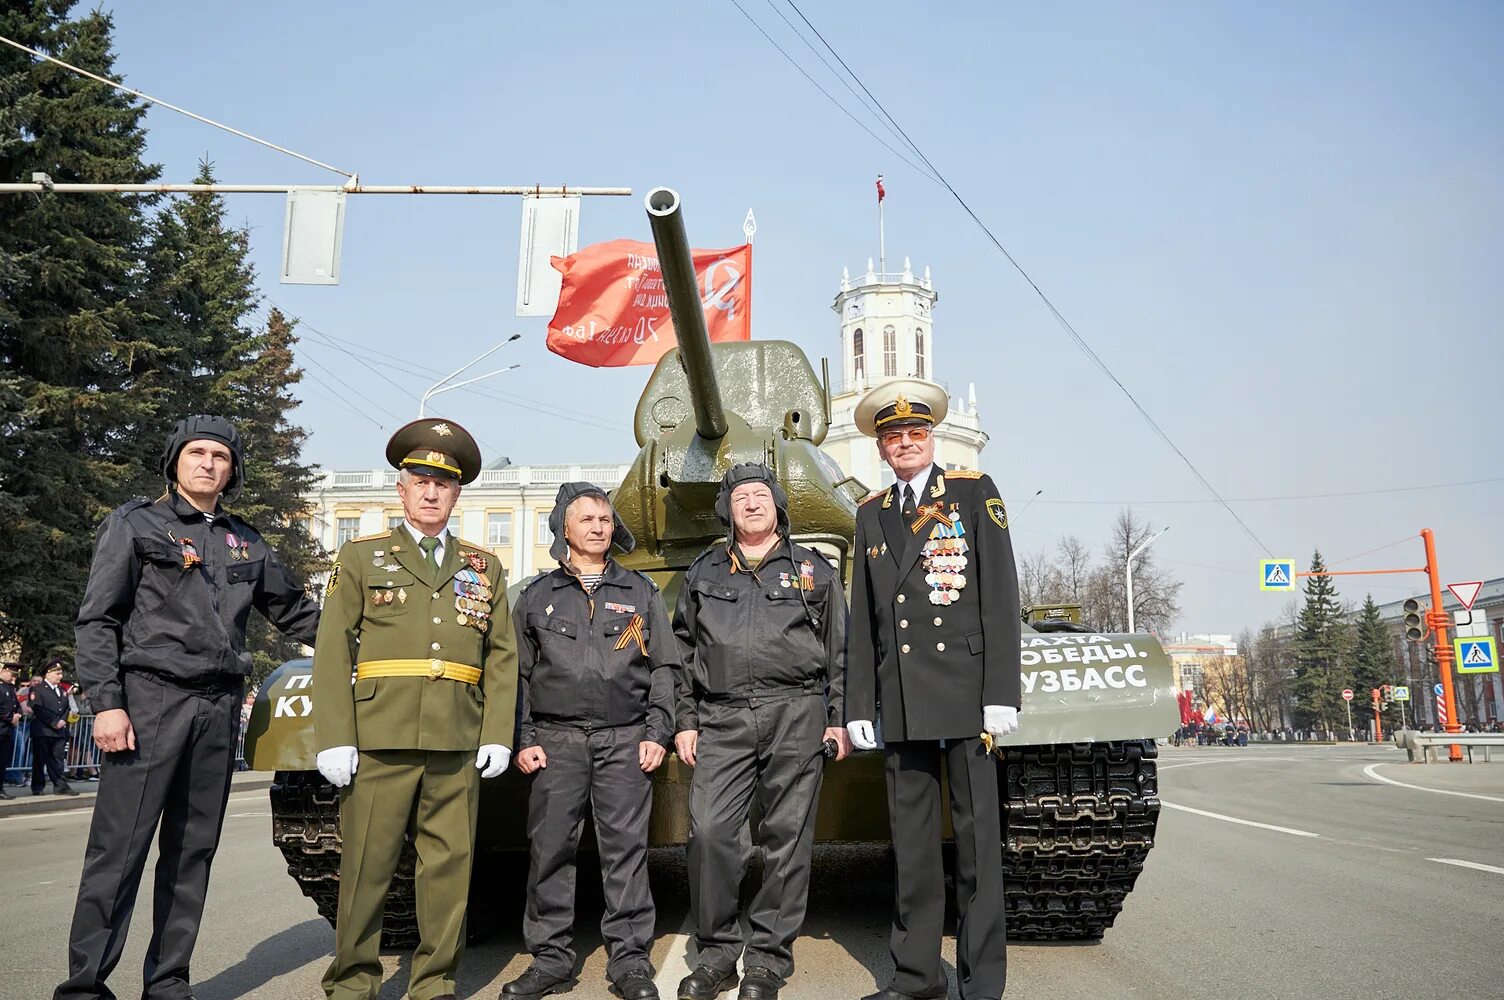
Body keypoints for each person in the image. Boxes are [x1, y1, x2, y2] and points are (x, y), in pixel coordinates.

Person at [58, 415, 323, 1000]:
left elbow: (298, 613)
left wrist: (376, 636)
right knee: (119, 850)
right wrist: (107, 704)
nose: (208, 463)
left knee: (192, 851)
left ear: (233, 470)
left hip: (217, 706)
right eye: (197, 452)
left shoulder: (245, 540)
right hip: (149, 700)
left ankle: (169, 983)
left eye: (220, 456)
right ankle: (83, 987)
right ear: (175, 460)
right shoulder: (136, 524)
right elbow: (99, 618)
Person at [313, 417, 518, 1000]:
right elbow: (333, 649)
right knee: (365, 870)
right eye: (420, 479)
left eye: (443, 483)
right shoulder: (362, 557)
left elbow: (501, 654)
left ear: (457, 494)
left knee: (449, 872)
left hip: (457, 736)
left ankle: (434, 983)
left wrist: (496, 732)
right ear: (400, 488)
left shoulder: (484, 567)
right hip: (380, 735)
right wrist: (335, 734)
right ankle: (353, 981)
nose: (431, 492)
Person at [843, 380, 1022, 1000]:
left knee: (977, 850)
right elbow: (864, 618)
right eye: (894, 438)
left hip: (966, 698)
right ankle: (917, 976)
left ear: (931, 439)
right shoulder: (871, 514)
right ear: (882, 449)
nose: (906, 444)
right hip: (902, 704)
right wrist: (860, 704)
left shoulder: (974, 494)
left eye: (915, 434)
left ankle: (982, 983)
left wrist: (1001, 692)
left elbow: (1000, 595)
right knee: (913, 850)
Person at [672, 463, 850, 1000]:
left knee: (787, 839)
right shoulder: (706, 570)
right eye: (741, 496)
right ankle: (718, 952)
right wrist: (685, 719)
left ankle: (768, 961)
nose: (751, 503)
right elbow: (682, 651)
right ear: (727, 508)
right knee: (711, 833)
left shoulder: (812, 570)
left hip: (796, 711)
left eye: (760, 495)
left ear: (777, 505)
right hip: (722, 714)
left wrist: (838, 717)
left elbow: (840, 649)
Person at [503, 483, 677, 1000]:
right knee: (551, 848)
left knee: (625, 850)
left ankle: (629, 959)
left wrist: (657, 730)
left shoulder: (640, 591)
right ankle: (551, 957)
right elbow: (517, 674)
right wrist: (524, 736)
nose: (599, 526)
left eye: (605, 519)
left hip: (625, 737)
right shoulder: (538, 595)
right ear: (565, 530)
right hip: (556, 740)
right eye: (587, 519)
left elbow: (664, 665)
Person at [29, 660, 76, 796]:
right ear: (48, 674)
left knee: (57, 759)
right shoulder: (37, 689)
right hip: (43, 730)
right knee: (40, 760)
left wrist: (62, 720)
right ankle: (38, 787)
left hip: (59, 731)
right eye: (57, 674)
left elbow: (66, 707)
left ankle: (60, 785)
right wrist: (54, 721)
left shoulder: (62, 691)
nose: (60, 676)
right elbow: (38, 708)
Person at [0, 662, 20, 797]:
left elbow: (16, 705)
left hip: (6, 731)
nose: (13, 678)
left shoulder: (9, 688)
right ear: (3, 671)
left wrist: (17, 715)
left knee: (2, 762)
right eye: (11, 674)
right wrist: (10, 718)